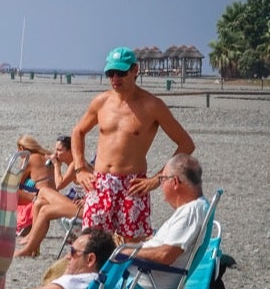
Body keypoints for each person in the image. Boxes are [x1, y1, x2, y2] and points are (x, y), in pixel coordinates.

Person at [71, 46, 195, 242]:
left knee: (133, 247)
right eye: (110, 73)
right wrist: (79, 169)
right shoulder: (101, 102)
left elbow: (186, 144)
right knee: (91, 243)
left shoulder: (152, 105)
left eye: (120, 73)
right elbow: (78, 132)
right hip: (100, 183)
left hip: (133, 185)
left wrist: (158, 178)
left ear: (135, 70)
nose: (115, 79)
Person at [122, 154, 210, 289]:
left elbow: (165, 255)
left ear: (175, 181)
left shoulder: (191, 212)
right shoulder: (196, 208)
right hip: (141, 286)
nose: (161, 186)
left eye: (162, 180)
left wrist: (128, 252)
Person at [16, 135, 84, 257]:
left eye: (59, 150)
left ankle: (29, 247)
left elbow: (59, 185)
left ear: (69, 151)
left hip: (88, 209)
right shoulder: (73, 165)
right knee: (39, 203)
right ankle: (33, 245)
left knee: (44, 193)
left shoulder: (75, 165)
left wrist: (56, 165)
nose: (55, 154)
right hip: (82, 205)